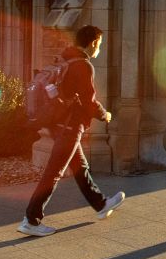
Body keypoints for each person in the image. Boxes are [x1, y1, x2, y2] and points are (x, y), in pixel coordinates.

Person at [18, 24, 125, 236]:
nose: (99, 49)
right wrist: (105, 114)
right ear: (93, 42)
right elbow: (89, 101)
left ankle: (101, 205)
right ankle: (31, 220)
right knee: (53, 173)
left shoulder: (64, 59)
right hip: (69, 126)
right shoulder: (83, 66)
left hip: (58, 123)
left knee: (80, 167)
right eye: (100, 45)